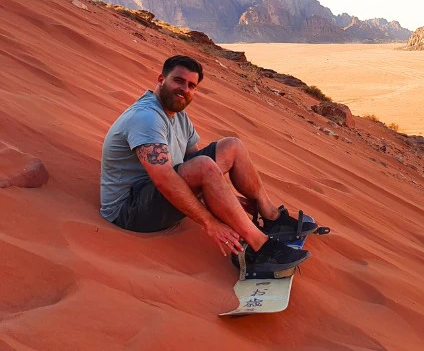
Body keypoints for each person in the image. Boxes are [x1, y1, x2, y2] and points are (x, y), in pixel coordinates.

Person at [100, 55, 312, 271]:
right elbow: (166, 179)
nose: (185, 89)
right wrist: (210, 222)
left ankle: (272, 217)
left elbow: (197, 168)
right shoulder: (147, 118)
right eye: (178, 81)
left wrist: (225, 199)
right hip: (129, 212)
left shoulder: (179, 116)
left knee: (231, 146)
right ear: (161, 79)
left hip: (156, 195)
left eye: (191, 85)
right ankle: (259, 249)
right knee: (204, 165)